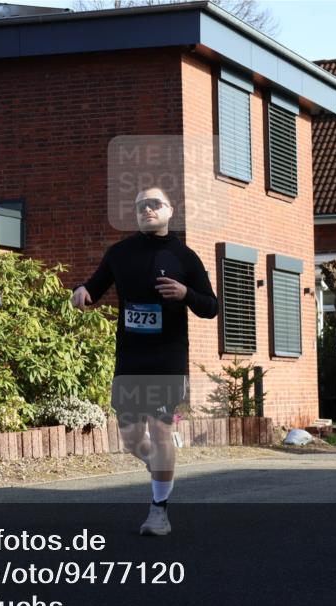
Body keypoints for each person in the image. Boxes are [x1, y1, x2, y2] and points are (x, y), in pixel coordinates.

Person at [71, 187, 217, 536]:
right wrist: (82, 292)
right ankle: (160, 464)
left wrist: (186, 294)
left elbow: (211, 307)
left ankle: (158, 512)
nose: (147, 210)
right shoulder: (120, 253)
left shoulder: (185, 257)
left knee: (160, 428)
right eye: (140, 206)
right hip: (131, 356)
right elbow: (94, 286)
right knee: (132, 438)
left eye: (154, 204)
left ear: (170, 211)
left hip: (167, 356)